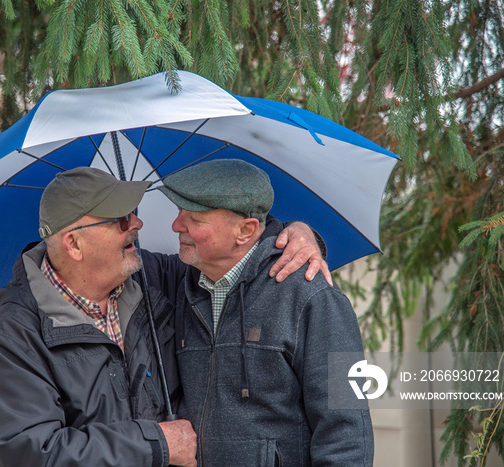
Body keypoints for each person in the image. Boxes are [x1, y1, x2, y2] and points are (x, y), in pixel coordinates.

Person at [0, 167, 328, 467]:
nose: (137, 223)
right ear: (74, 245)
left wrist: (294, 234)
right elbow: (33, 454)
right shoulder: (12, 339)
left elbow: (231, 253)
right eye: (120, 219)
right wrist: (156, 443)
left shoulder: (157, 280)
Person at [159, 159, 374, 466]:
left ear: (245, 230)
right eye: (179, 213)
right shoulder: (177, 288)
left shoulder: (314, 297)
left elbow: (347, 430)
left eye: (194, 218)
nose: (176, 225)